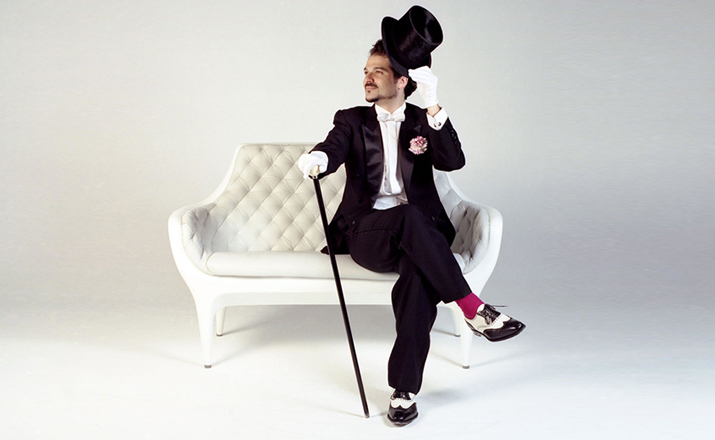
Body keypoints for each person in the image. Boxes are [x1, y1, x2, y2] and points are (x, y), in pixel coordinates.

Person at [297, 6, 525, 426]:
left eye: (378, 71)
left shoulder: (422, 119)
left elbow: (453, 161)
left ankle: (403, 392)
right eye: (366, 70)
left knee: (418, 280)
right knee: (408, 218)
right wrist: (319, 158)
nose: (367, 78)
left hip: (418, 237)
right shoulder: (351, 120)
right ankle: (473, 307)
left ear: (403, 80)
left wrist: (433, 103)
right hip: (367, 233)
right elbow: (333, 145)